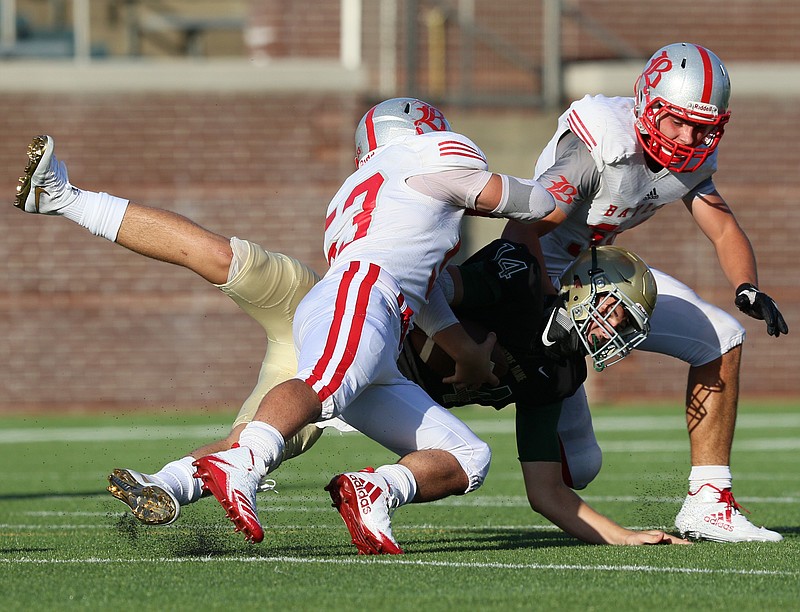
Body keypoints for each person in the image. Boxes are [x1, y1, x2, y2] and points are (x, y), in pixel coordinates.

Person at [14, 119, 686, 550]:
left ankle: (179, 479)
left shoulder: (367, 192)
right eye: (613, 312)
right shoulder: (436, 164)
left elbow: (431, 293)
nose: (610, 329)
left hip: (360, 323)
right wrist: (569, 187)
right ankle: (239, 463)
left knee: (368, 424)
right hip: (352, 303)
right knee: (312, 391)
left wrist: (619, 537)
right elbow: (505, 226)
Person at [502, 42, 788, 543]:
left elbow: (723, 229)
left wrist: (746, 287)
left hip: (593, 278)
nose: (689, 137)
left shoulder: (690, 156)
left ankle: (709, 503)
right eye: (678, 121)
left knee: (722, 335)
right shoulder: (603, 143)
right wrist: (546, 301)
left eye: (703, 127)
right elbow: (521, 230)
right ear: (647, 102)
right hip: (534, 284)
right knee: (581, 464)